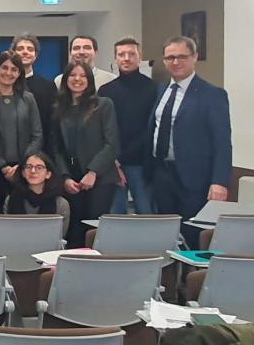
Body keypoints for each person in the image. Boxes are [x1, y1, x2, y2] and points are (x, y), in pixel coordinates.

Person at [146, 36, 231, 249]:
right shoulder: (161, 90)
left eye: (182, 57)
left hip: (194, 179)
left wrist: (220, 181)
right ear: (164, 61)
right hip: (162, 174)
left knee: (192, 236)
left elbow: (222, 142)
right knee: (164, 234)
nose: (175, 62)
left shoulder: (212, 94)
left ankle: (191, 271)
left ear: (195, 57)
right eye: (170, 57)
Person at [51, 61, 119, 248]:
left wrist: (93, 172)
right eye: (73, 75)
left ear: (89, 80)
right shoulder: (58, 109)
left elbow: (112, 144)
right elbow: (56, 148)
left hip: (100, 178)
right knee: (74, 231)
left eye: (82, 76)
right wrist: (65, 177)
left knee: (94, 231)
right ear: (65, 79)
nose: (77, 79)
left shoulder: (103, 105)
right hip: (71, 179)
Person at [0, 51, 43, 214]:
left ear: (19, 74)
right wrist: (2, 166)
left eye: (14, 69)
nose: (8, 73)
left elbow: (37, 135)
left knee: (21, 215)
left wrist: (22, 165)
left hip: (24, 170)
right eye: (4, 68)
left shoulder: (28, 99)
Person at [98, 37, 157, 214]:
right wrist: (112, 162)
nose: (126, 58)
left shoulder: (154, 88)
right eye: (121, 54)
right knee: (115, 215)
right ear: (115, 59)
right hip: (113, 163)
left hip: (142, 164)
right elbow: (101, 128)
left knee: (147, 213)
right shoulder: (105, 91)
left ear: (140, 57)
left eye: (131, 54)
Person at [5, 152, 71, 236]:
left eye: (39, 168)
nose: (33, 171)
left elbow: (59, 237)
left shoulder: (61, 204)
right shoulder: (10, 199)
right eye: (29, 167)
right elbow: (7, 232)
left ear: (48, 174)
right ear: (23, 173)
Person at [12, 33, 56, 143]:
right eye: (20, 49)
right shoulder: (3, 84)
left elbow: (52, 124)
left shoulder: (48, 87)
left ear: (35, 55)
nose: (25, 52)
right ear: (13, 53)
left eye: (30, 49)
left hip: (41, 147)